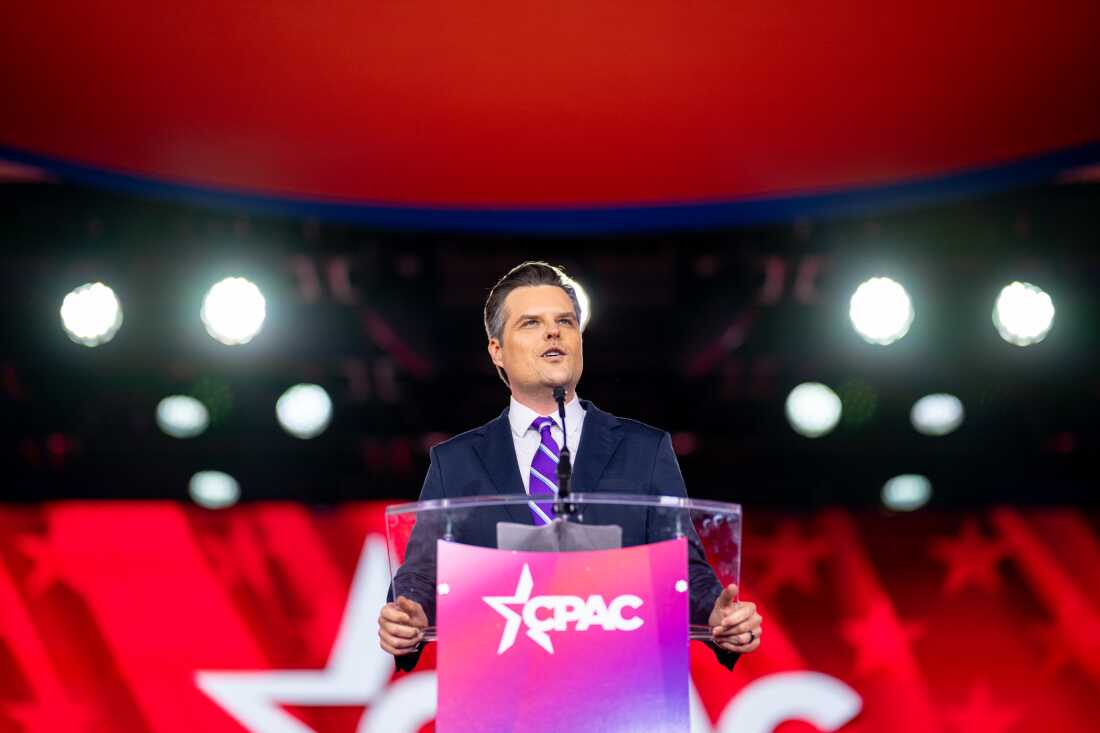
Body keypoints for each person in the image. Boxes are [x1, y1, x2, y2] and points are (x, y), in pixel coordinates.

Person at [378, 261, 762, 670]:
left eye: (565, 321)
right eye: (531, 323)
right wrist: (408, 614)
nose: (553, 332)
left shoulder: (645, 450)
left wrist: (717, 615)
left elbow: (684, 569)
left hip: (619, 686)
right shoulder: (455, 462)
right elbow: (422, 574)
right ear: (497, 351)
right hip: (499, 688)